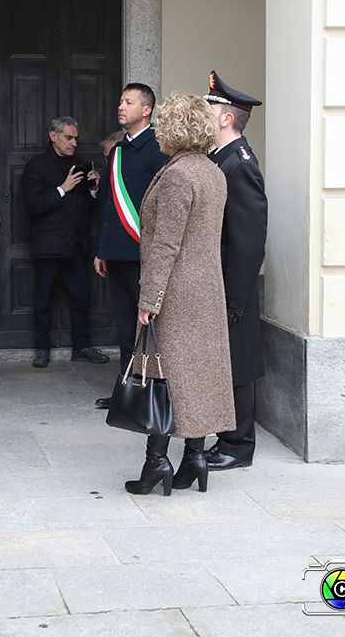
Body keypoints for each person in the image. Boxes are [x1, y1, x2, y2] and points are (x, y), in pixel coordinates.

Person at [125, 92, 234, 496]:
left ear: (173, 129)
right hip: (207, 288)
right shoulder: (212, 172)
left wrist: (148, 300)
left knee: (164, 375)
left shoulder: (177, 176)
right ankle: (195, 456)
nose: (156, 135)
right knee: (197, 376)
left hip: (177, 291)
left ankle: (156, 462)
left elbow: (166, 245)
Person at [203, 71, 268, 470]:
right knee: (224, 363)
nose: (204, 111)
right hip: (220, 283)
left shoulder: (239, 164)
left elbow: (248, 238)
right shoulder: (219, 159)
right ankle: (225, 438)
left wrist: (236, 297)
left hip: (232, 286)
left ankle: (237, 446)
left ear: (227, 117)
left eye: (210, 106)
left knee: (237, 364)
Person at [93, 83, 170, 408]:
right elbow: (109, 204)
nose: (121, 106)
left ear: (146, 110)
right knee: (124, 327)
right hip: (117, 254)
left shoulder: (158, 150)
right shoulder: (119, 151)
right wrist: (102, 248)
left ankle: (148, 392)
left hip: (143, 255)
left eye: (128, 102)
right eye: (121, 101)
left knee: (147, 328)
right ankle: (126, 390)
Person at [21, 116, 108, 368]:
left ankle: (81, 346)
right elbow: (34, 204)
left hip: (76, 246)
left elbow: (87, 207)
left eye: (76, 138)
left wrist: (93, 188)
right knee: (43, 299)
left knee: (82, 298)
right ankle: (42, 349)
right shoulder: (36, 166)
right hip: (48, 246)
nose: (73, 143)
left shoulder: (81, 165)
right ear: (53, 136)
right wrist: (62, 188)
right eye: (68, 137)